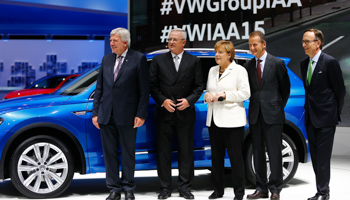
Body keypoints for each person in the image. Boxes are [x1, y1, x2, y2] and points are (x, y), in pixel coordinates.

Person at [92, 27, 149, 200]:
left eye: (114, 41)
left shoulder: (138, 59)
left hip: (129, 115)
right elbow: (99, 88)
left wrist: (141, 114)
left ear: (125, 42)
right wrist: (96, 113)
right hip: (106, 115)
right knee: (109, 154)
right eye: (110, 40)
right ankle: (114, 189)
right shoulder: (107, 59)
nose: (111, 43)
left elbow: (144, 91)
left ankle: (129, 188)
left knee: (128, 153)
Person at [149, 28, 204, 199]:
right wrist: (162, 100)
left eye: (175, 39)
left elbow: (199, 87)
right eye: (170, 39)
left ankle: (185, 188)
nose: (171, 42)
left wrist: (189, 100)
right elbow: (152, 86)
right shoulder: (158, 60)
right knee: (163, 152)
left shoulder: (193, 61)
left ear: (183, 42)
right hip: (164, 112)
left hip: (185, 113)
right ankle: (165, 188)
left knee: (186, 151)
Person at [244, 31, 291, 200]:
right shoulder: (249, 66)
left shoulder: (277, 63)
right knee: (257, 153)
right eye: (249, 45)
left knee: (274, 153)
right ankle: (261, 188)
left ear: (264, 44)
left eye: (254, 44)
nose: (252, 48)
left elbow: (285, 89)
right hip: (256, 115)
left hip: (273, 115)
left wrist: (277, 107)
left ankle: (275, 188)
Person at [300, 28, 345, 200]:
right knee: (316, 158)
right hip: (311, 117)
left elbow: (340, 91)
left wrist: (334, 112)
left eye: (307, 41)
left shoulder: (330, 62)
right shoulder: (304, 63)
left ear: (317, 43)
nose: (303, 44)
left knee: (323, 158)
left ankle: (323, 193)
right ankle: (321, 191)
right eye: (303, 41)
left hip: (326, 118)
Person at [204, 40, 250, 200]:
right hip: (214, 120)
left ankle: (239, 193)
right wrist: (207, 95)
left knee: (236, 159)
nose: (216, 55)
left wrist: (225, 96)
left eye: (220, 52)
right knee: (216, 159)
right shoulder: (212, 71)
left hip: (232, 122)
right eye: (216, 52)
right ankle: (218, 191)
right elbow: (209, 91)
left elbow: (245, 93)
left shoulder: (239, 70)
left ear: (229, 54)